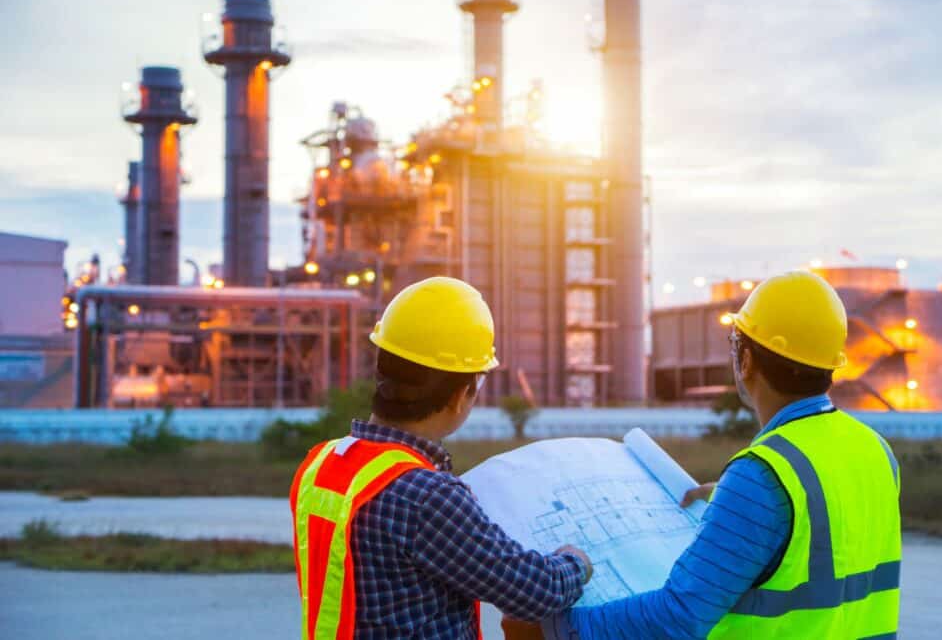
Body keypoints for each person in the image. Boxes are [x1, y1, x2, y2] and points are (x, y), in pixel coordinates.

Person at [504, 270, 901, 639]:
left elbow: (679, 615)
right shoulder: (875, 450)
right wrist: (738, 504)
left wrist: (556, 630)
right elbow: (824, 537)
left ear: (745, 360)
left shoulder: (763, 476)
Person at [291, 276, 592, 639]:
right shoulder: (425, 495)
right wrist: (576, 562)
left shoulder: (323, 464)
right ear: (459, 395)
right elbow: (534, 591)